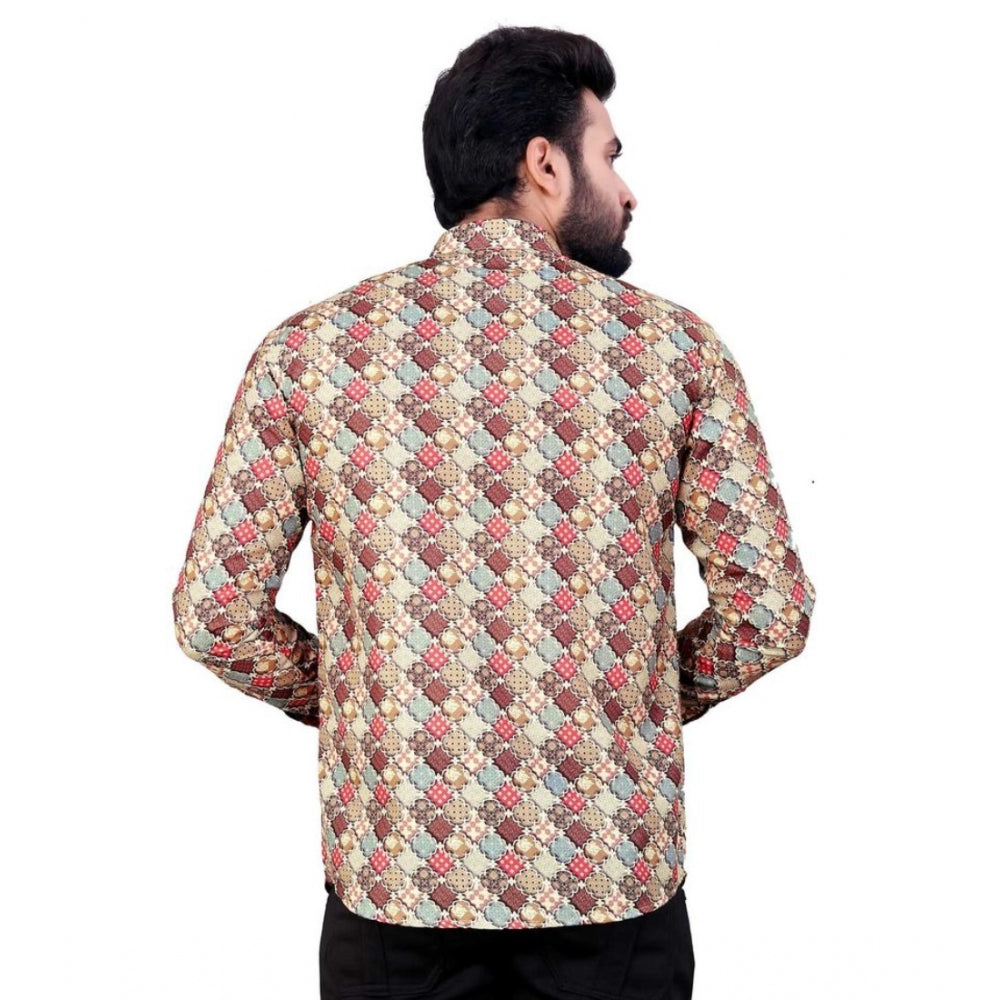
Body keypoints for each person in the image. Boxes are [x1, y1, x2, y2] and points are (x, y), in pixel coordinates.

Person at [171, 25, 816, 1000]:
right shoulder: (674, 350)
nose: (628, 191)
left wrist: (365, 702)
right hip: (611, 892)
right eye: (610, 155)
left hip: (397, 896)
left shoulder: (309, 353)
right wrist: (625, 706)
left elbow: (213, 615)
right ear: (544, 164)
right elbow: (770, 612)